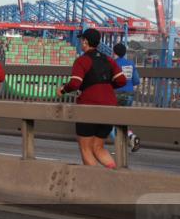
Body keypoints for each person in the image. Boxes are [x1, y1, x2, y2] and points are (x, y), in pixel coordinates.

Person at [58, 28, 128, 168]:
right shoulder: (108, 60)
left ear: (85, 42)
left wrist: (63, 90)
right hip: (110, 107)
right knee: (98, 147)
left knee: (86, 148)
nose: (80, 42)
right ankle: (114, 176)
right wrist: (105, 86)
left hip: (88, 108)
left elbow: (75, 83)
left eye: (81, 40)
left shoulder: (82, 60)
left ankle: (95, 180)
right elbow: (122, 81)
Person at [112, 43, 141, 152]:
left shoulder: (113, 64)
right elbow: (136, 80)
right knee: (123, 120)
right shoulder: (130, 64)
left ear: (114, 52)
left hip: (116, 94)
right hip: (129, 94)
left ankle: (119, 148)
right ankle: (131, 136)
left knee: (114, 121)